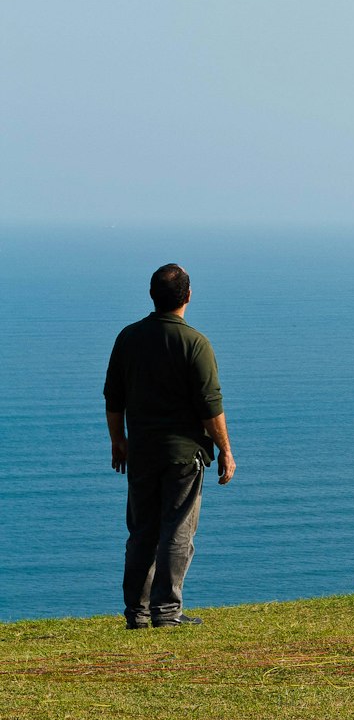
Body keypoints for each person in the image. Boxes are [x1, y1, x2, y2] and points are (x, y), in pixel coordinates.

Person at [103, 263, 235, 629]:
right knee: (177, 531)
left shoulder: (128, 337)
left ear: (151, 295)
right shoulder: (195, 343)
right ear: (188, 297)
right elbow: (211, 407)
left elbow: (113, 397)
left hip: (141, 452)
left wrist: (118, 440)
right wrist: (225, 450)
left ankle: (138, 613)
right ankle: (166, 611)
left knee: (142, 531)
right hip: (183, 455)